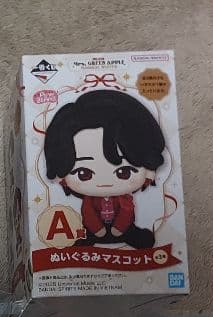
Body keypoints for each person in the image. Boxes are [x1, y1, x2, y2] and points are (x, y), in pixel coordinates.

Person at [43, 90, 166, 249]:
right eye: (84, 173)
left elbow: (127, 211)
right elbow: (88, 212)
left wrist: (119, 228)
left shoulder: (125, 200)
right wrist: (97, 229)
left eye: (124, 172)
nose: (104, 182)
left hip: (124, 229)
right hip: (93, 230)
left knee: (133, 234)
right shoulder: (89, 201)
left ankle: (129, 235)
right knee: (86, 237)